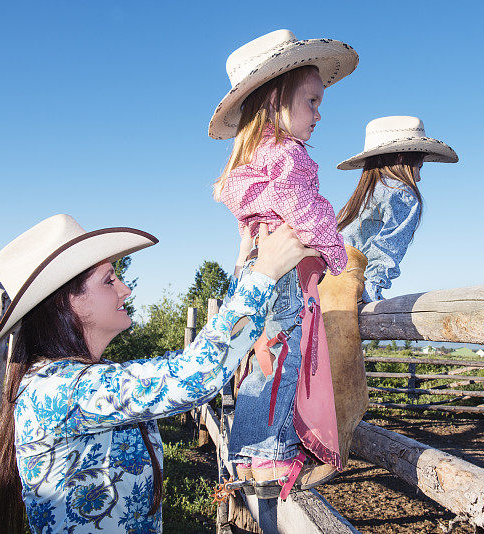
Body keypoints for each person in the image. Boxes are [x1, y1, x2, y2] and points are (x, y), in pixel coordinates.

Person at [0, 214, 316, 533]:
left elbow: (208, 355)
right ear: (66, 303)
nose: (125, 289)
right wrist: (265, 273)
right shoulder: (59, 389)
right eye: (108, 280)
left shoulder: (78, 379)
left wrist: (247, 261)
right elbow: (192, 376)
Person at [208, 29, 358, 498]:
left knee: (263, 358)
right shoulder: (289, 153)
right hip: (287, 271)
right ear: (276, 100)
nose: (318, 114)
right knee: (287, 354)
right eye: (311, 101)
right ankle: (273, 454)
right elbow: (305, 209)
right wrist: (335, 254)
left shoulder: (253, 156)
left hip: (256, 267)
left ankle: (249, 455)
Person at [315, 117, 459, 467]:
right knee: (342, 378)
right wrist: (369, 296)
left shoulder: (363, 193)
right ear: (405, 159)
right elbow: (384, 253)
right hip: (348, 282)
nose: (421, 171)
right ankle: (330, 447)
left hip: (319, 281)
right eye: (419, 161)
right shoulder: (406, 196)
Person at [336, 115, 459, 303]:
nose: (418, 178)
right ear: (402, 158)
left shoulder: (364, 194)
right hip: (352, 287)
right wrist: (372, 292)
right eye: (419, 166)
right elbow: (387, 249)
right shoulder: (402, 194)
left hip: (325, 281)